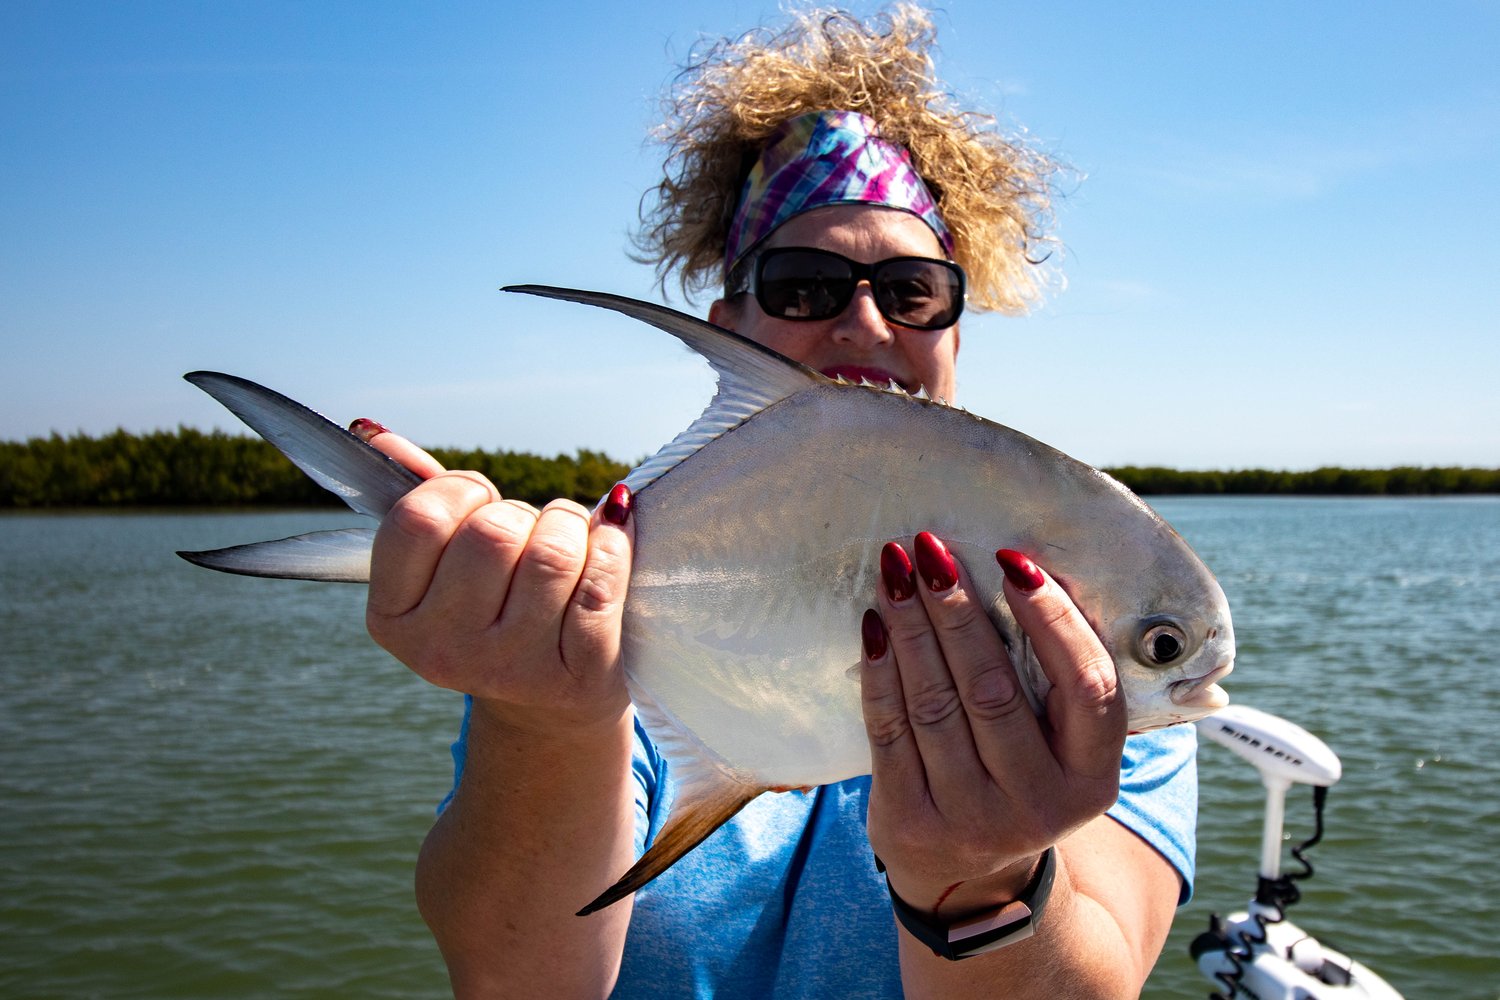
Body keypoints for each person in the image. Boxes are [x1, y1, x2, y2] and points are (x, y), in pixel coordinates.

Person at [354, 6, 1196, 997]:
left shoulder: (1090, 631)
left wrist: (977, 881)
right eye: (803, 285)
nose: (866, 322)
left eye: (914, 289)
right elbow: (515, 980)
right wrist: (545, 724)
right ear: (729, 326)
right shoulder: (575, 609)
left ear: (957, 333)